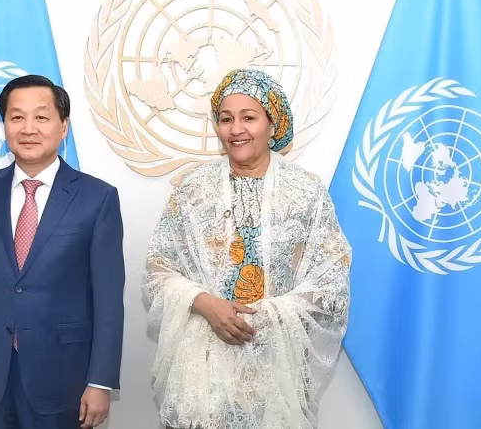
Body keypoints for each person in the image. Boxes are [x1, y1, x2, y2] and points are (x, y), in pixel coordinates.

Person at [143, 69, 351, 429]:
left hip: (276, 371)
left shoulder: (306, 192)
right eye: (226, 119)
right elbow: (158, 269)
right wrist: (205, 304)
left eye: (249, 117)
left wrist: (269, 314)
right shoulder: (193, 189)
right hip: (203, 374)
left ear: (272, 124)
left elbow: (331, 281)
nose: (236, 129)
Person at [0, 75, 125, 429]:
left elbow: (108, 300)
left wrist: (100, 381)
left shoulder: (98, 198)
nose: (28, 128)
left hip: (64, 375)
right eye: (17, 117)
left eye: (41, 117)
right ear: (4, 125)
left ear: (63, 126)